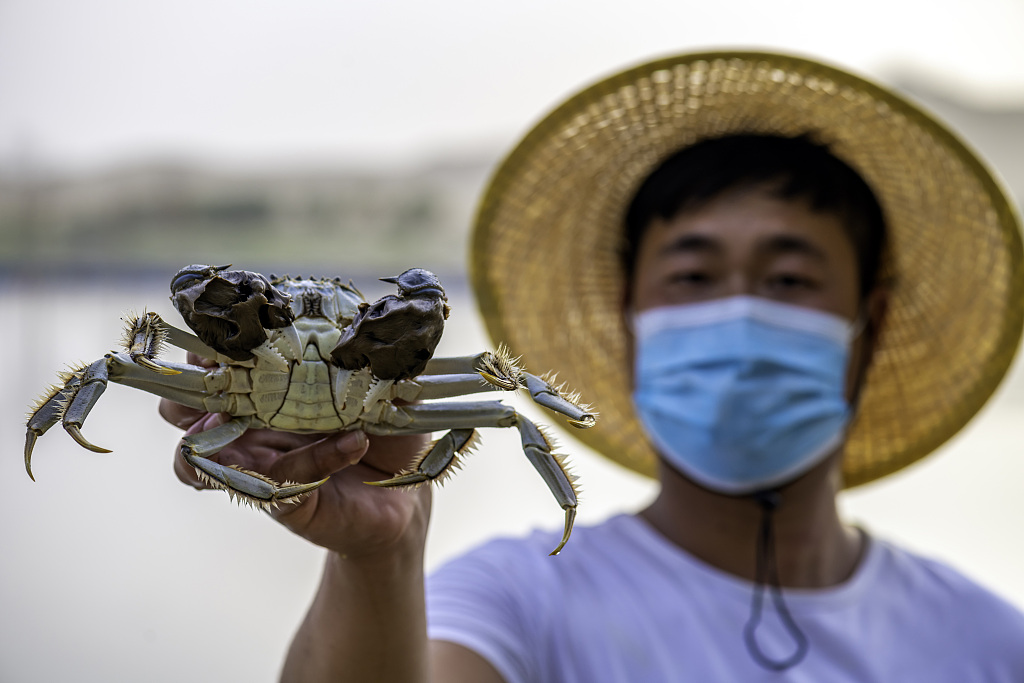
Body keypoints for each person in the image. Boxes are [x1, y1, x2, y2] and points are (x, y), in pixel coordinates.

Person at [161, 51, 1024, 681]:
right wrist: (380, 556)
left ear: (872, 323)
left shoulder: (993, 646)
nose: (736, 315)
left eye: (789, 279)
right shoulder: (512, 601)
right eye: (693, 277)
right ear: (627, 314)